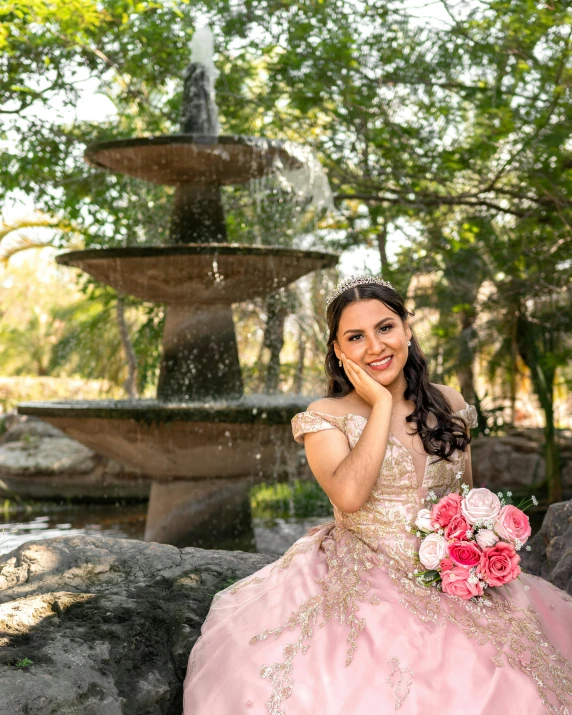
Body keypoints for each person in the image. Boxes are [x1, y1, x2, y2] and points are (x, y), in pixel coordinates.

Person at [183, 275, 572, 714]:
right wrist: (381, 405)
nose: (374, 346)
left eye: (385, 328)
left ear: (407, 329)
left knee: (513, 674)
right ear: (338, 350)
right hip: (366, 568)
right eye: (355, 337)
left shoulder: (449, 402)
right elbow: (349, 495)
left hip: (453, 568)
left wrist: (476, 543)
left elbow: (464, 493)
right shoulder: (325, 416)